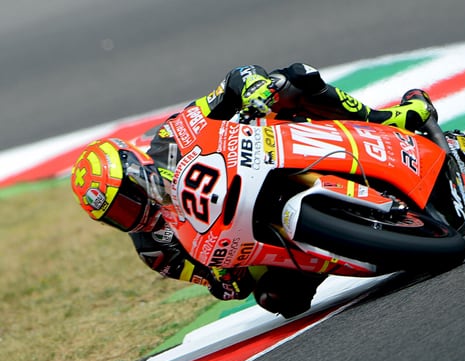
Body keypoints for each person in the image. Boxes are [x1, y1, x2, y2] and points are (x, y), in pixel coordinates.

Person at [71, 63, 437, 318]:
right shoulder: (153, 249)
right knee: (277, 299)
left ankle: (387, 119)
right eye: (118, 217)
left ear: (136, 167)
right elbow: (219, 285)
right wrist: (224, 279)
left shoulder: (167, 140)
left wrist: (251, 87)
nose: (131, 214)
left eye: (127, 200)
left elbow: (231, 83)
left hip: (259, 154)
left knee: (292, 80)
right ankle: (345, 244)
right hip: (249, 236)